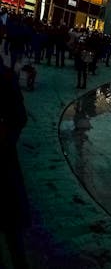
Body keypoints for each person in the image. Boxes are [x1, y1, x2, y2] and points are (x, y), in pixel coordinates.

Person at [0, 61, 29, 267]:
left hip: (3, 162)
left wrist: (5, 137)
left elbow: (19, 118)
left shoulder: (5, 76)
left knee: (11, 228)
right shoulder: (6, 75)